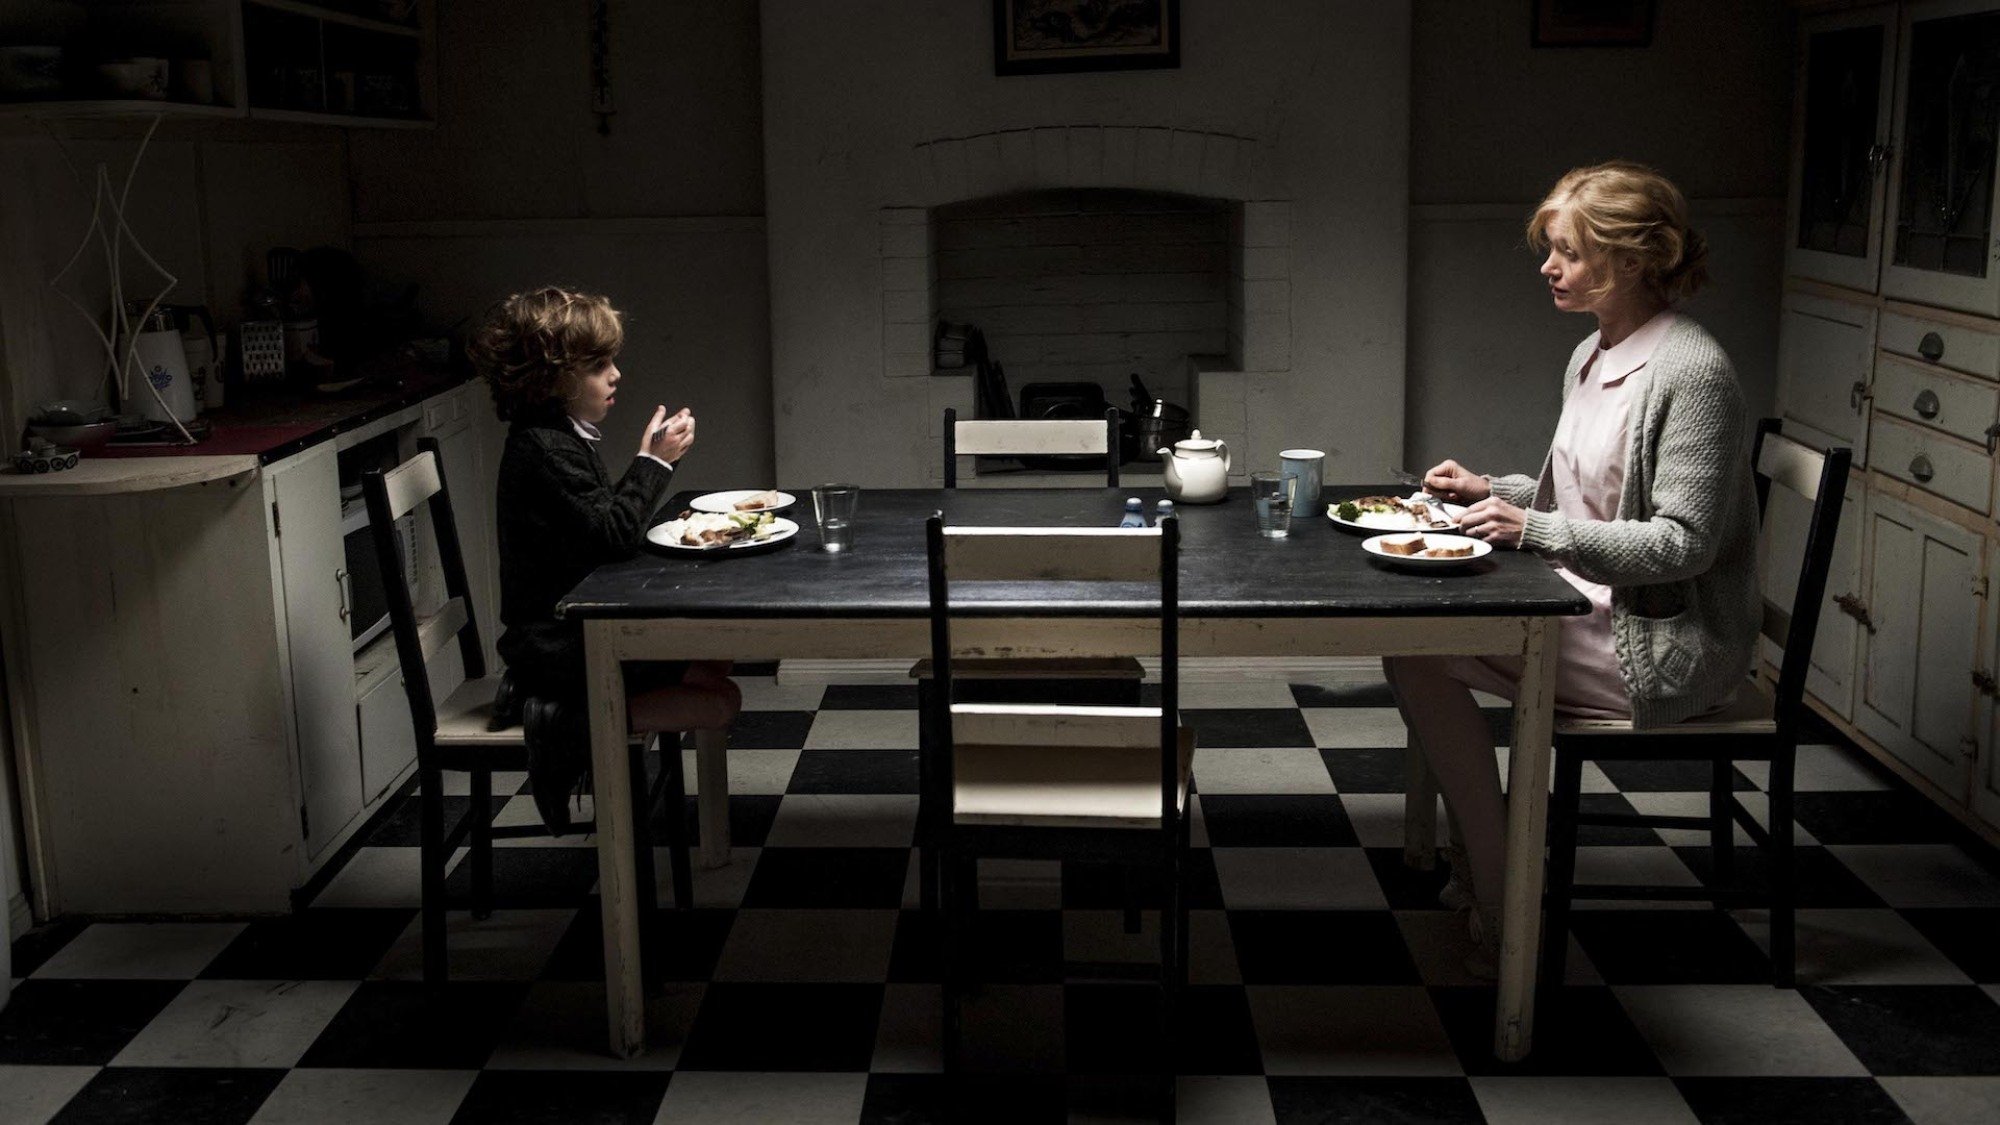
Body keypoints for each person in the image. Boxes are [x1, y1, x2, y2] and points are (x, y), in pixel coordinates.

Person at [1384, 162, 1760, 973]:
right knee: (1414, 644)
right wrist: (1496, 490)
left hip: (1659, 637)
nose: (1548, 267)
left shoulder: (1692, 371)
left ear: (1632, 259)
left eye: (1568, 252)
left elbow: (1682, 543)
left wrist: (1533, 528)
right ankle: (1495, 872)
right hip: (1590, 603)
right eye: (1549, 250)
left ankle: (1501, 893)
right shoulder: (1593, 352)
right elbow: (1582, 502)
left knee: (1419, 649)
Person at [470, 286, 740, 832]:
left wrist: (650, 467)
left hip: (571, 629)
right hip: (557, 644)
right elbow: (614, 534)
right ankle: (583, 722)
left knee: (718, 660)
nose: (614, 374)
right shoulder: (543, 449)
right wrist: (653, 463)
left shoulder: (561, 438)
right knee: (721, 701)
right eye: (598, 365)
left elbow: (595, 527)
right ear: (551, 378)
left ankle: (594, 714)